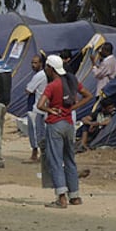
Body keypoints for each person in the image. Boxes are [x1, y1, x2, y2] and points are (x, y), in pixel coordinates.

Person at [37, 55, 92, 208]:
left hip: (55, 124)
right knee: (70, 160)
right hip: (69, 124)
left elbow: (40, 105)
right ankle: (75, 196)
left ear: (50, 68)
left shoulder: (52, 85)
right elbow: (88, 95)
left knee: (55, 160)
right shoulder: (71, 81)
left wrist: (50, 110)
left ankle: (61, 197)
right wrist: (73, 108)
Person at [25, 54, 47, 162]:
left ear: (41, 64)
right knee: (41, 132)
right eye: (32, 63)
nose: (33, 65)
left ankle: (35, 154)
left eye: (35, 63)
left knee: (34, 130)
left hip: (36, 106)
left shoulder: (39, 76)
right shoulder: (46, 75)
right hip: (44, 107)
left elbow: (29, 90)